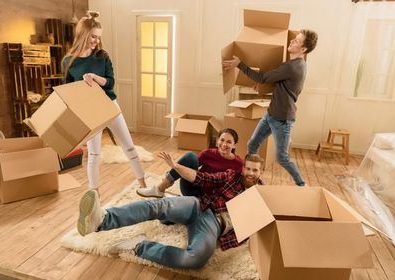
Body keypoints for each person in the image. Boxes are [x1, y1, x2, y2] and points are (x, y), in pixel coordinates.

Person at [76, 153, 264, 269]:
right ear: (243, 167)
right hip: (200, 206)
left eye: (255, 170)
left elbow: (254, 229)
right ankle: (102, 219)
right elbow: (204, 178)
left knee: (195, 259)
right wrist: (176, 166)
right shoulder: (232, 175)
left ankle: (140, 246)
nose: (250, 173)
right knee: (159, 205)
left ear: (261, 172)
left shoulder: (263, 197)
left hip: (213, 226)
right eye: (248, 168)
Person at [62, 11, 148, 191]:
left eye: (98, 37)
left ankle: (143, 185)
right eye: (92, 36)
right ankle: (95, 194)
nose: (95, 41)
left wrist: (94, 77)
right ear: (82, 34)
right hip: (90, 111)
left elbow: (110, 83)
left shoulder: (103, 56)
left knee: (129, 147)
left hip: (110, 105)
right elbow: (68, 91)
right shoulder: (68, 61)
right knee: (94, 154)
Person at [222, 29, 318, 187]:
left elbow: (262, 77)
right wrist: (262, 85)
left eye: (297, 41)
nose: (292, 41)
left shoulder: (294, 66)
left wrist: (240, 64)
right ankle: (251, 175)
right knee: (252, 145)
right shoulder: (294, 63)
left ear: (303, 49)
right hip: (271, 114)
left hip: (282, 119)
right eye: (294, 38)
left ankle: (302, 185)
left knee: (282, 158)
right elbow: (281, 84)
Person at [136, 128, 244, 198]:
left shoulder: (239, 164)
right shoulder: (208, 153)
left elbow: (246, 182)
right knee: (191, 156)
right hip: (193, 189)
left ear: (234, 145)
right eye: (222, 140)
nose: (224, 144)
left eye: (229, 142)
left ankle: (176, 199)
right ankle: (159, 189)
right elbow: (188, 164)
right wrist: (172, 170)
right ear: (217, 141)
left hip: (214, 198)